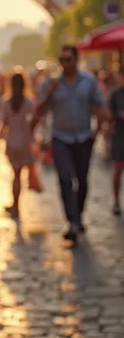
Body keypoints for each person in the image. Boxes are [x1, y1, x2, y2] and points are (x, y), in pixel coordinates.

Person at [38, 44, 107, 244]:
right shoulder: (52, 82)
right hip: (61, 138)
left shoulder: (89, 81)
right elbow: (39, 109)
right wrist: (49, 93)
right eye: (62, 60)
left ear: (76, 60)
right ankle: (72, 221)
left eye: (68, 60)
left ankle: (78, 215)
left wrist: (99, 131)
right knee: (65, 179)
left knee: (82, 181)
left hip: (84, 137)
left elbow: (99, 106)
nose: (65, 64)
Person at [0, 71, 41, 219]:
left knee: (15, 175)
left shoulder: (6, 102)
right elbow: (34, 122)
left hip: (11, 142)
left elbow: (3, 123)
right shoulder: (29, 102)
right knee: (20, 175)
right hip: (25, 142)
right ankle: (17, 205)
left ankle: (15, 206)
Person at [108, 67, 124, 215]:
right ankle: (116, 200)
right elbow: (109, 114)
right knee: (118, 170)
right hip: (119, 136)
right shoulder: (115, 94)